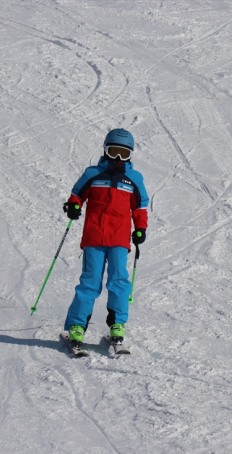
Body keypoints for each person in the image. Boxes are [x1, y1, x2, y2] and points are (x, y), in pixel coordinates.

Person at [63, 128, 149, 348]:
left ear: (130, 154)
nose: (118, 158)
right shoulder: (93, 174)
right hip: (94, 237)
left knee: (119, 281)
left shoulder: (133, 178)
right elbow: (77, 194)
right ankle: (77, 326)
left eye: (124, 153)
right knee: (90, 282)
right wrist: (73, 206)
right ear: (105, 150)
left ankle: (117, 324)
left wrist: (140, 228)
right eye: (114, 151)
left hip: (119, 240)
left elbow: (140, 207)